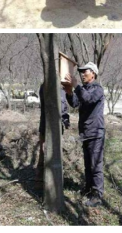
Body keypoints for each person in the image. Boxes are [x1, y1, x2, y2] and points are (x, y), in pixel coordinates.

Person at [62, 62, 105, 207]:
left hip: (96, 132)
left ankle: (97, 196)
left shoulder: (97, 89)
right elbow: (75, 103)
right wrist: (69, 92)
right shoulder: (84, 89)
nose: (82, 74)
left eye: (85, 72)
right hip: (86, 132)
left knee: (95, 165)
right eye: (80, 72)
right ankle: (88, 189)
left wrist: (76, 86)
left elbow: (88, 99)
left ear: (93, 73)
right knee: (88, 164)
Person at [35, 85, 70, 188]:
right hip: (47, 127)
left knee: (52, 153)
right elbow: (57, 106)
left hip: (55, 128)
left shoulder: (62, 88)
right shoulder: (48, 86)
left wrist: (66, 119)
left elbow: (64, 107)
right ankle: (42, 182)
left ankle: (51, 181)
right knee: (45, 153)